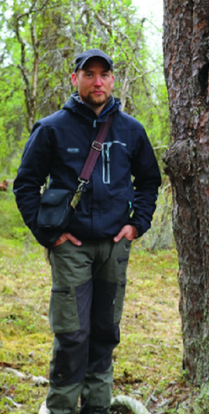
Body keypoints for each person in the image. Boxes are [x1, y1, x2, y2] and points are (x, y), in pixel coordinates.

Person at [13, 49, 161, 414]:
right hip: (71, 247)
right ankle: (60, 408)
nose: (97, 82)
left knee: (105, 333)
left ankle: (97, 407)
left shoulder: (131, 130)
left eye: (104, 74)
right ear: (75, 79)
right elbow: (26, 184)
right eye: (89, 74)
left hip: (114, 247)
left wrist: (136, 225)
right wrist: (49, 235)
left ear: (113, 79)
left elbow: (149, 182)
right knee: (72, 334)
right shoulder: (52, 128)